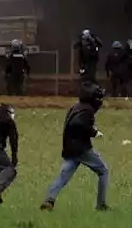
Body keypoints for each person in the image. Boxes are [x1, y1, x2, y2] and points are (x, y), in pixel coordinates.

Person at [41, 83, 110, 211]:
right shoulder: (87, 110)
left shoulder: (76, 107)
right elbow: (78, 124)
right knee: (104, 171)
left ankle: (49, 200)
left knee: (63, 176)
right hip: (81, 149)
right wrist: (94, 132)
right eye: (99, 99)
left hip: (69, 148)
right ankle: (101, 205)